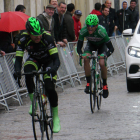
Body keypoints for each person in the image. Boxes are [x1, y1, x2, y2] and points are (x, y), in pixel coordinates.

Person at [14, 17, 61, 133]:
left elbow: (56, 59)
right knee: (28, 72)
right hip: (34, 59)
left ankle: (55, 117)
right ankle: (33, 102)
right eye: (35, 36)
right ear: (29, 33)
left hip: (48, 61)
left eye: (40, 34)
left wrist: (54, 69)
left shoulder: (47, 37)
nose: (38, 37)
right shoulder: (22, 38)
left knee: (49, 87)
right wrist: (17, 71)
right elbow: (18, 59)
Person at [77, 14, 114, 98]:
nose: (90, 28)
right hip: (91, 45)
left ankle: (104, 85)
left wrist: (105, 55)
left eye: (92, 26)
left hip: (102, 46)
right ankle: (88, 83)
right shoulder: (83, 31)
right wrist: (80, 54)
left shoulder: (102, 31)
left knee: (101, 63)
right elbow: (79, 47)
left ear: (96, 25)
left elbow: (111, 48)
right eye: (88, 25)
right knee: (86, 59)